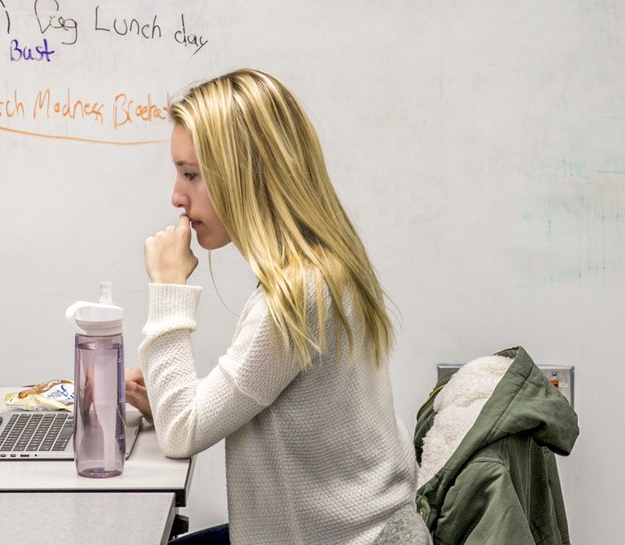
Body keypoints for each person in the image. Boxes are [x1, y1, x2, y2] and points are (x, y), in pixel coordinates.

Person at [124, 69, 427, 545]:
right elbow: (223, 404)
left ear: (245, 174)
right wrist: (166, 401)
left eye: (191, 174)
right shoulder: (319, 267)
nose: (176, 197)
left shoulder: (297, 295)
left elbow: (183, 431)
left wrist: (168, 289)